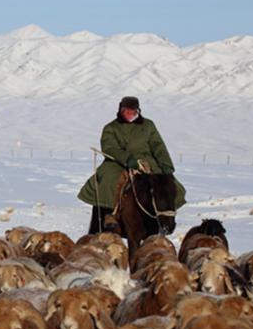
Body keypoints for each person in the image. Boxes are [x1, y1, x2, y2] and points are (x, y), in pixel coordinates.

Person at [77, 96, 186, 233]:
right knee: (108, 181)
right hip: (118, 162)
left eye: (132, 112)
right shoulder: (111, 128)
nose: (129, 114)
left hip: (147, 161)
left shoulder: (148, 125)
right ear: (120, 110)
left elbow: (158, 145)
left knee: (170, 184)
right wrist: (128, 159)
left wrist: (166, 164)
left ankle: (165, 216)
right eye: (126, 111)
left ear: (138, 111)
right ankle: (111, 213)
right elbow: (109, 148)